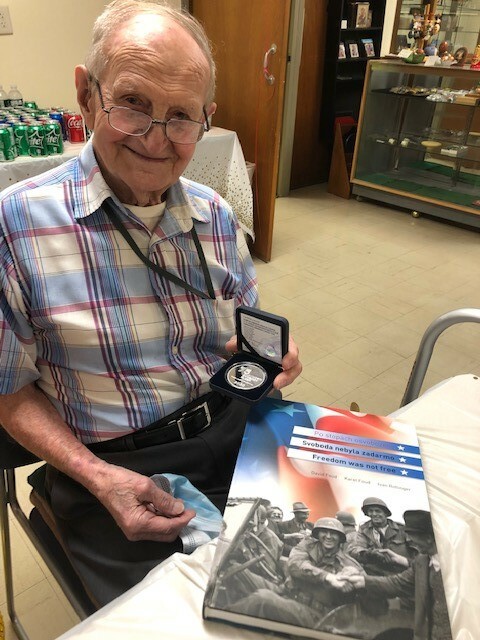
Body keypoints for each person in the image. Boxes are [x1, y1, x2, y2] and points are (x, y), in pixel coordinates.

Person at [0, 0, 301, 607]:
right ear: (86, 95)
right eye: (133, 103)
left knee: (336, 578)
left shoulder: (216, 215)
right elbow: (7, 393)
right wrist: (98, 477)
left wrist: (271, 357)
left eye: (182, 116)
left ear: (206, 120)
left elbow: (245, 339)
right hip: (113, 468)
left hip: (236, 426)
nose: (157, 139)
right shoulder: (16, 224)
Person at [229, 517, 365, 628]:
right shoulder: (307, 545)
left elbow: (365, 588)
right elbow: (295, 564)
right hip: (286, 591)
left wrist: (350, 582)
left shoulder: (348, 564)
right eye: (324, 532)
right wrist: (328, 577)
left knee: (262, 599)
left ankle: (225, 622)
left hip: (313, 613)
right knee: (235, 571)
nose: (328, 536)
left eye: (334, 533)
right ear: (318, 534)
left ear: (340, 537)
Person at [347, 510, 453, 640]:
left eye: (413, 537)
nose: (411, 541)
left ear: (429, 538)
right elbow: (397, 583)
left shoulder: (459, 562)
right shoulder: (422, 562)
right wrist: (363, 581)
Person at [347, 497, 409, 575]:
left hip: (400, 572)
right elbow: (354, 550)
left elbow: (416, 553)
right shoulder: (364, 530)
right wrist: (369, 553)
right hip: (375, 574)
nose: (374, 514)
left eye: (378, 511)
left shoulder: (401, 529)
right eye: (371, 511)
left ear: (385, 513)